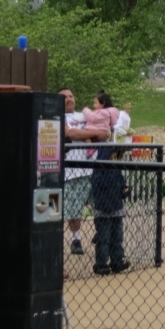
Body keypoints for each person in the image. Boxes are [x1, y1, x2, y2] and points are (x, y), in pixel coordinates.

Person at [59, 88, 110, 255]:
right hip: (72, 171)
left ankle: (101, 234)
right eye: (64, 97)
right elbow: (71, 133)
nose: (69, 99)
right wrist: (94, 133)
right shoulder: (58, 117)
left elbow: (102, 134)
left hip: (93, 169)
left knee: (101, 206)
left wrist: (95, 133)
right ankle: (76, 239)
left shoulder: (83, 115)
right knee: (74, 210)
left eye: (71, 96)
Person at [90, 144, 131, 275]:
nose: (113, 159)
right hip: (103, 211)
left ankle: (117, 261)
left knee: (117, 237)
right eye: (111, 156)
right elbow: (97, 185)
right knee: (104, 238)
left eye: (115, 156)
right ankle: (101, 264)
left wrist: (125, 190)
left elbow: (121, 186)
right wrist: (110, 174)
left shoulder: (116, 170)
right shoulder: (98, 171)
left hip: (116, 209)